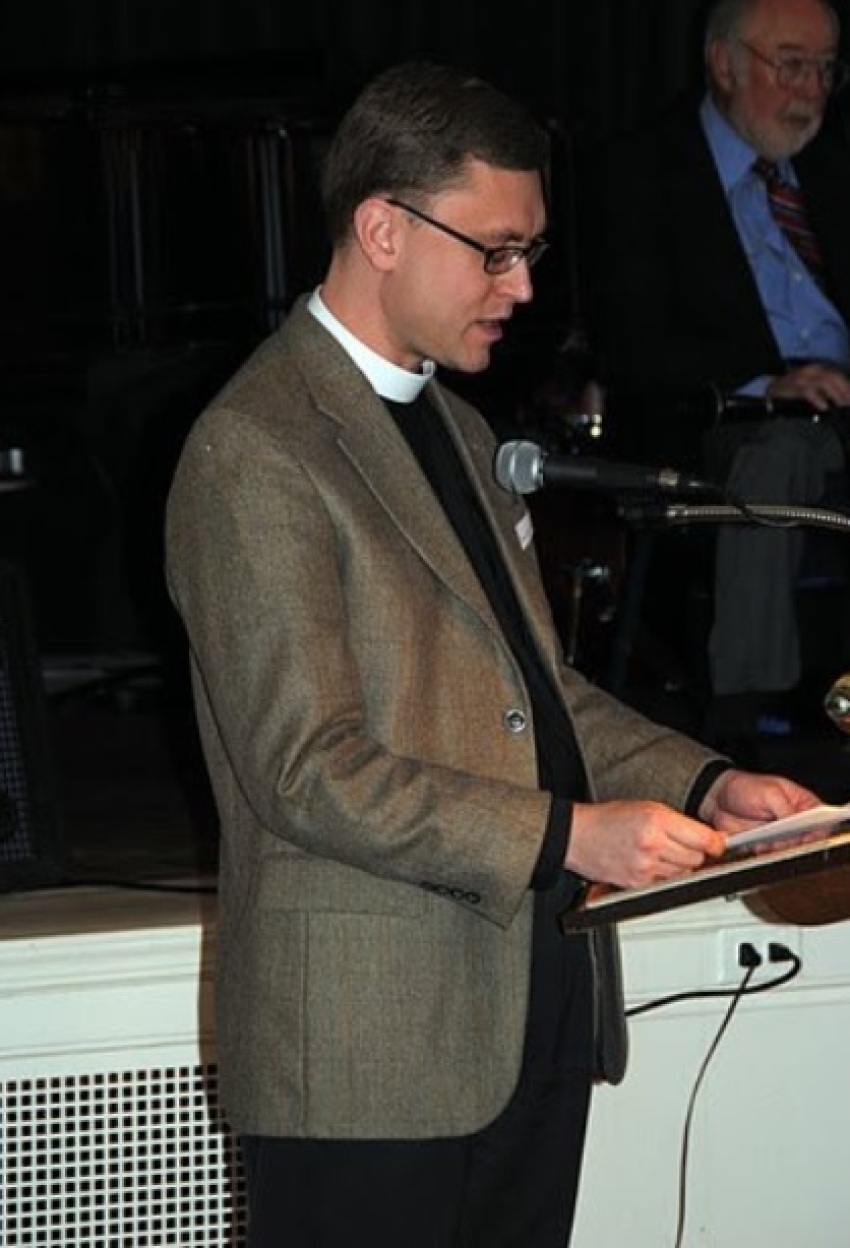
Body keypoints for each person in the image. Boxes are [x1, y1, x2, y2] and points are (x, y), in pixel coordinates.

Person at [164, 61, 820, 1248]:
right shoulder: (255, 451)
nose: (522, 288)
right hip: (367, 1057)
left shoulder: (459, 429)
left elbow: (539, 697)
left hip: (528, 1013)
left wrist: (706, 783)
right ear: (381, 229)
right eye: (495, 250)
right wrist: (573, 834)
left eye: (530, 251)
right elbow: (308, 770)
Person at [580, 0, 850, 749]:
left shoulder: (833, 168)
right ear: (725, 62)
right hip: (715, 419)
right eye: (792, 64)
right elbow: (630, 347)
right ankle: (747, 732)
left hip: (840, 409)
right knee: (777, 461)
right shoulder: (637, 172)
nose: (813, 90)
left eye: (827, 69)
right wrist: (768, 386)